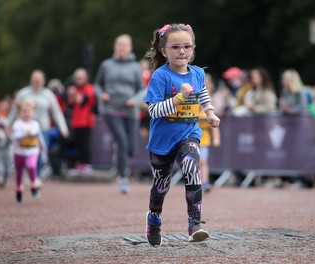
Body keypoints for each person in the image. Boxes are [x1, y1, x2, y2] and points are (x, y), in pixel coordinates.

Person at [143, 23, 220, 246]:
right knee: (161, 186)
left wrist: (210, 112)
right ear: (164, 50)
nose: (182, 51)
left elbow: (203, 93)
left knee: (191, 168)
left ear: (193, 49)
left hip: (189, 133)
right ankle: (154, 218)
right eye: (175, 47)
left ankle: (194, 223)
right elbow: (153, 111)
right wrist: (179, 99)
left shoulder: (197, 73)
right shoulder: (160, 76)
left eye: (187, 46)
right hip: (161, 141)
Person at [94, 34, 145, 193]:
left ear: (130, 48)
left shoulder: (135, 67)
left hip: (130, 110)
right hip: (111, 109)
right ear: (114, 47)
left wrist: (135, 100)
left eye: (125, 45)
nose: (122, 48)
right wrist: (101, 94)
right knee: (121, 142)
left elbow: (142, 89)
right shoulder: (106, 65)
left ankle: (126, 163)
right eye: (119, 45)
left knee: (131, 147)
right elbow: (97, 84)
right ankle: (123, 177)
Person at [8, 70, 69, 181]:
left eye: (39, 80)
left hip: (42, 129)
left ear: (43, 81)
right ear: (31, 80)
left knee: (40, 153)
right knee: (27, 152)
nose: (36, 82)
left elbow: (57, 112)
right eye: (34, 79)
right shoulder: (23, 93)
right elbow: (14, 110)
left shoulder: (48, 94)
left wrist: (63, 128)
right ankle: (30, 172)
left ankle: (36, 176)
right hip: (25, 129)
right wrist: (9, 124)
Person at [11, 99, 46, 203]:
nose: (26, 113)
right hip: (19, 152)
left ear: (33, 112)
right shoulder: (17, 124)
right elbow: (16, 136)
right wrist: (24, 134)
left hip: (32, 151)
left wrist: (42, 145)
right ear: (19, 112)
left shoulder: (35, 124)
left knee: (31, 166)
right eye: (23, 111)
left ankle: (33, 185)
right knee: (19, 172)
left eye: (28, 111)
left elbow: (39, 135)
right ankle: (19, 190)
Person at [66, 68, 96, 176]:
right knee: (78, 144)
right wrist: (70, 95)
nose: (78, 80)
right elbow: (70, 105)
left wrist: (73, 94)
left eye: (81, 77)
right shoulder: (76, 89)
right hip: (76, 121)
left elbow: (82, 101)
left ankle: (86, 164)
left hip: (85, 121)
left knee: (84, 144)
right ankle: (81, 164)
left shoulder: (88, 88)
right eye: (77, 77)